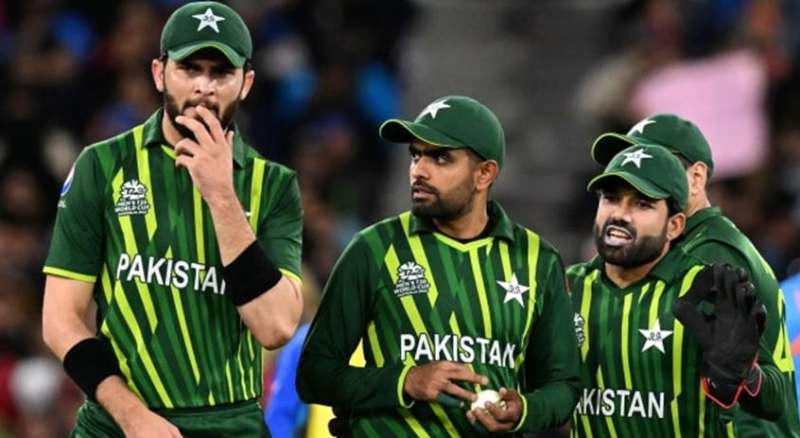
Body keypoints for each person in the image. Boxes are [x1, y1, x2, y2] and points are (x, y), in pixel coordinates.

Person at [40, 2, 304, 437]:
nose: (204, 87)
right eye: (190, 68)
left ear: (246, 83)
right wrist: (132, 415)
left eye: (221, 73)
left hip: (228, 425)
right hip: (116, 424)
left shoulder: (273, 185)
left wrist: (221, 194)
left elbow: (275, 326)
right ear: (160, 73)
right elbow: (59, 320)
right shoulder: (101, 166)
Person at [296, 95, 581, 436]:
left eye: (441, 158)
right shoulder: (373, 249)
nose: (419, 170)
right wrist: (405, 381)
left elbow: (564, 386)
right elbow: (314, 374)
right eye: (416, 155)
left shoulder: (538, 261)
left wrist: (526, 410)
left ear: (484, 174)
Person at [591, 114, 799, 436]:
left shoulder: (710, 256)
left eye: (656, 163)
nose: (637, 175)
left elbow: (735, 378)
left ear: (697, 178)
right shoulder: (684, 245)